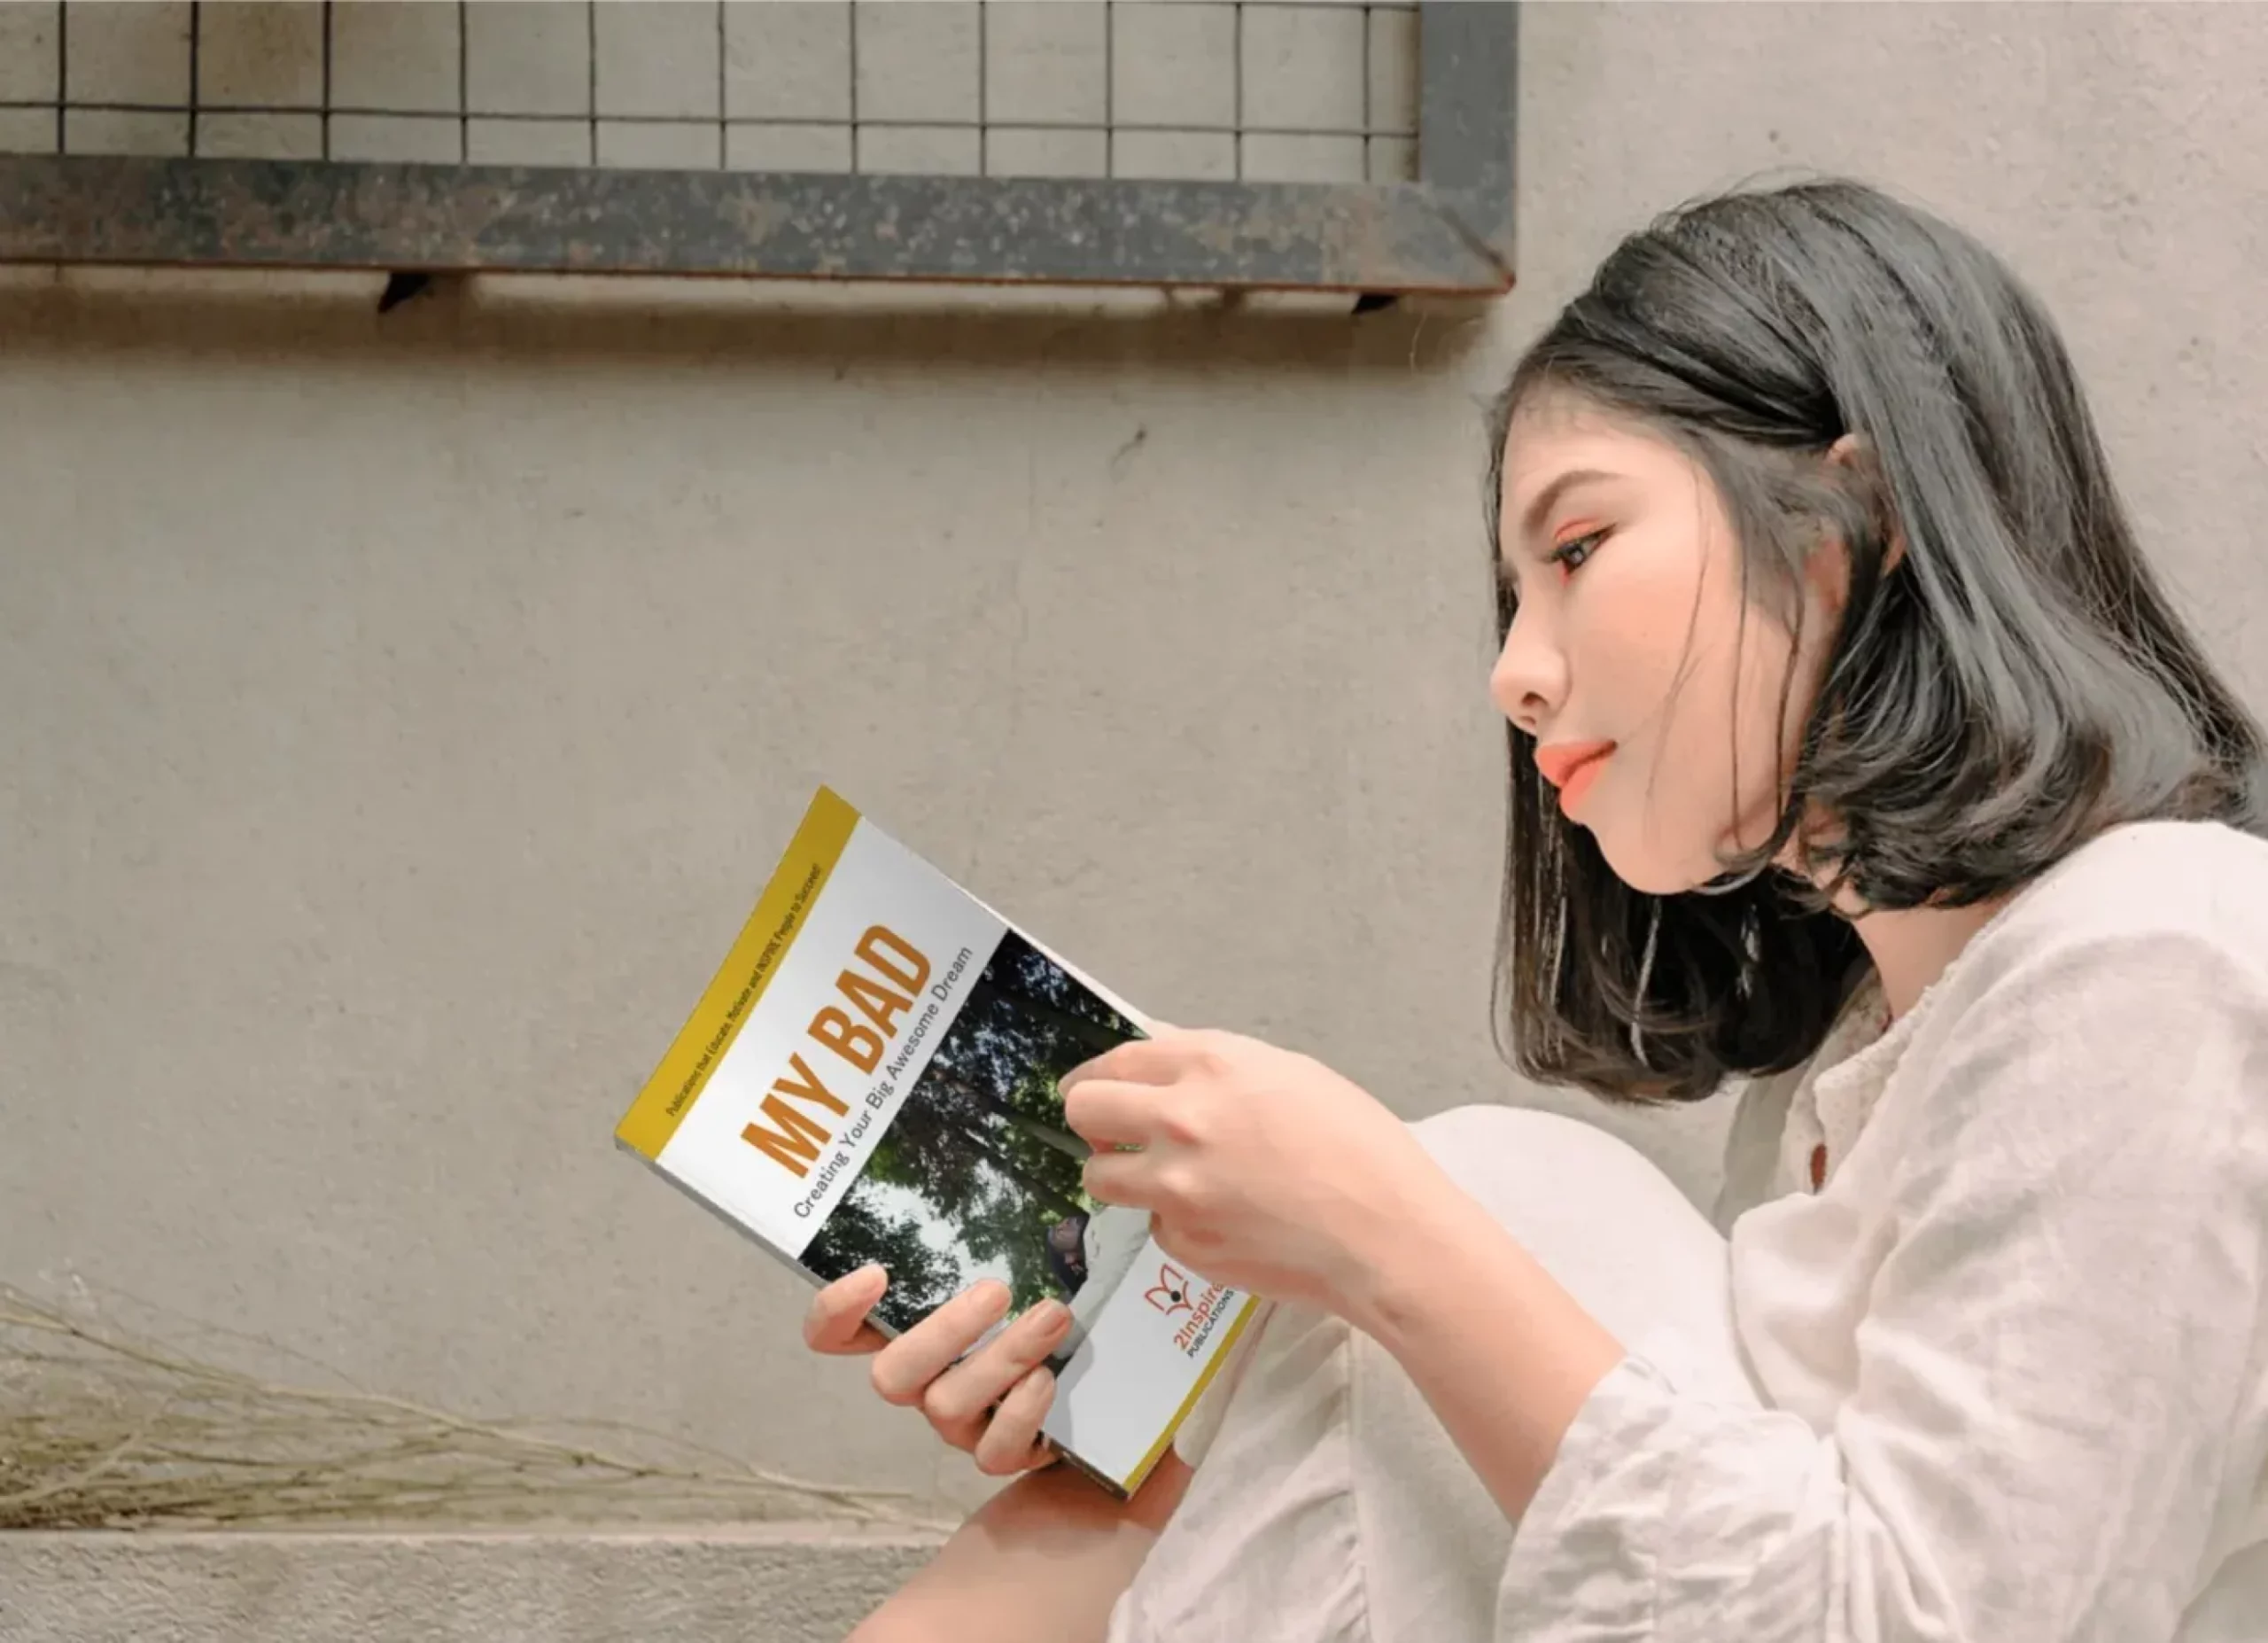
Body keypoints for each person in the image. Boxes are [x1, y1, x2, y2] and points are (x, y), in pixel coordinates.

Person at [802, 176, 2268, 1641]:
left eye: (1575, 553)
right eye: (1512, 595)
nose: (1514, 672)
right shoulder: (1846, 1074)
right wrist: (1157, 1418)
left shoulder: (2156, 955)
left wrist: (1386, 1233)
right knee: (1288, 1346)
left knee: (1488, 1202)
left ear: (1853, 523)